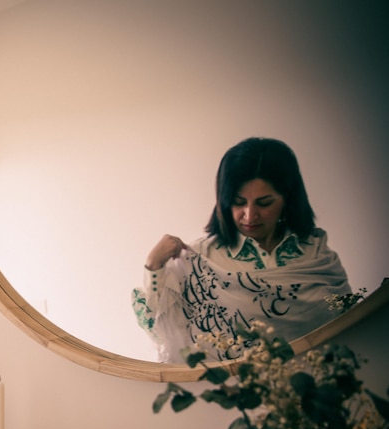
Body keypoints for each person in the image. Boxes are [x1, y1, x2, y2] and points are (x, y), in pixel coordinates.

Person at [132, 137, 351, 363]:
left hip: (316, 391)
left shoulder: (317, 255)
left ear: (288, 199)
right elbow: (164, 333)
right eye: (237, 202)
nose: (249, 215)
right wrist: (153, 266)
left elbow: (349, 330)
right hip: (232, 394)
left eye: (264, 203)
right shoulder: (200, 261)